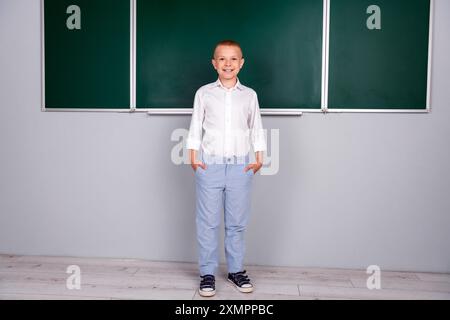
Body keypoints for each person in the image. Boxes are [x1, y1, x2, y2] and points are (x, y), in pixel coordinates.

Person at [186, 39, 267, 297]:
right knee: (207, 222)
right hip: (209, 164)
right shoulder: (204, 93)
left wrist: (259, 156)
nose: (228, 64)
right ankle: (207, 274)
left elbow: (256, 126)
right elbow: (195, 123)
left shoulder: (249, 95)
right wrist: (193, 155)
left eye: (233, 59)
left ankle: (235, 271)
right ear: (214, 63)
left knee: (236, 222)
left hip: (240, 166)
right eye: (222, 59)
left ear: (241, 64)